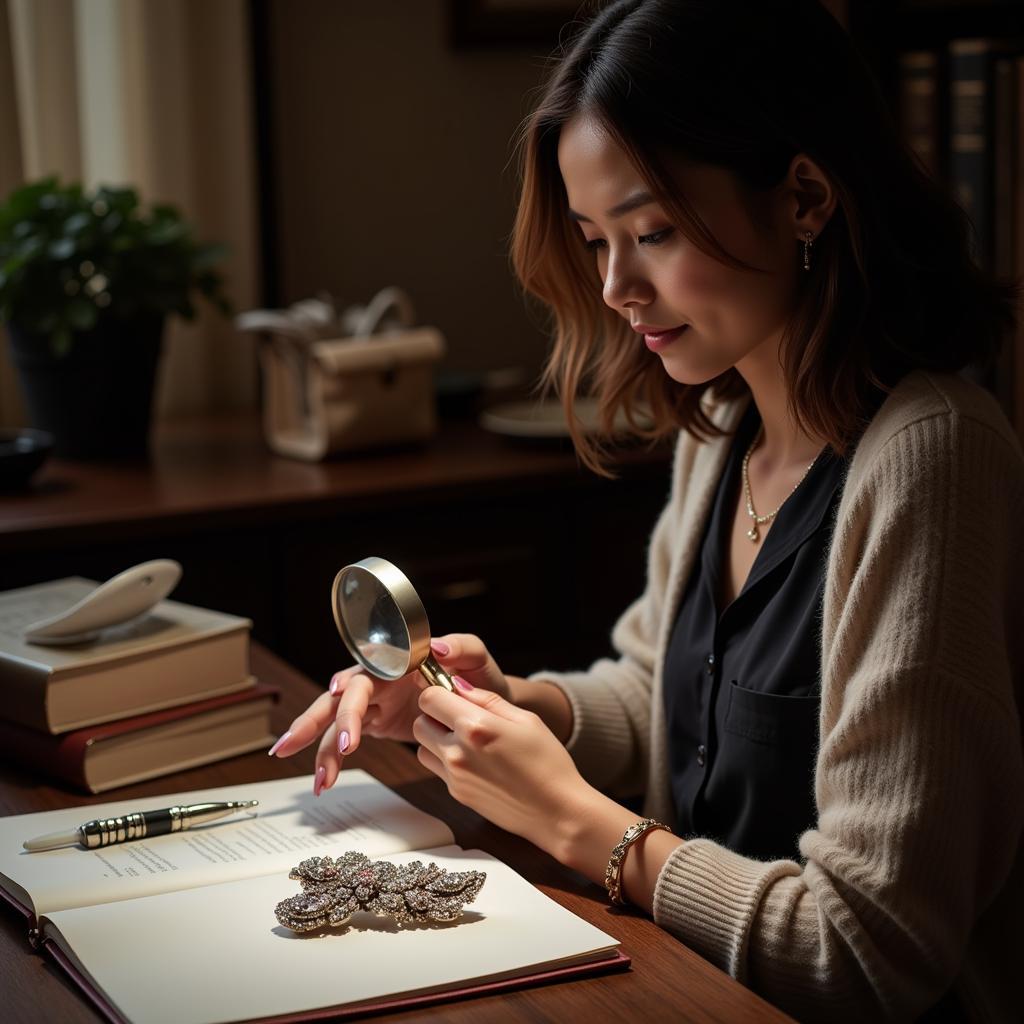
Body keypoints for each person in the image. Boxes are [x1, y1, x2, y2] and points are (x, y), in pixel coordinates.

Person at [267, 1, 1024, 1020]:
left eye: (653, 231)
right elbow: (665, 696)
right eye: (594, 240)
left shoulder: (931, 455)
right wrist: (514, 708)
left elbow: (867, 950)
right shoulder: (723, 426)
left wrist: (582, 825)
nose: (618, 286)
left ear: (803, 196)